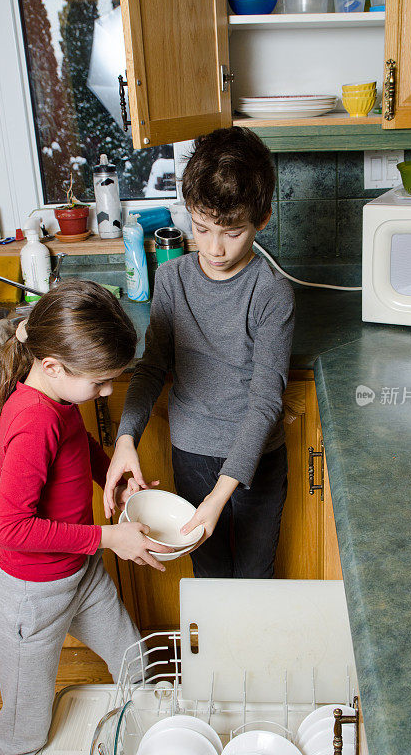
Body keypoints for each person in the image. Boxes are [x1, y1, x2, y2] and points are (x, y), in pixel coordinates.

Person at [0, 280, 170, 755]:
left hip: (77, 573)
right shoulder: (31, 421)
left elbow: (78, 444)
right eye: (101, 383)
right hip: (30, 598)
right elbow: (13, 530)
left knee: (136, 665)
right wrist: (109, 537)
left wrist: (114, 472)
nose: (108, 392)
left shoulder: (58, 398)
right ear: (53, 367)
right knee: (23, 734)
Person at [104, 126, 295, 578]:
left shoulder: (272, 293)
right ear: (187, 211)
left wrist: (219, 496)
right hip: (190, 455)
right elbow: (152, 368)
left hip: (255, 463)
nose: (213, 248)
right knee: (209, 577)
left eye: (231, 232)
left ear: (262, 219)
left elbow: (266, 398)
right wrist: (126, 436)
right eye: (202, 227)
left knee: (254, 577)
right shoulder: (172, 281)